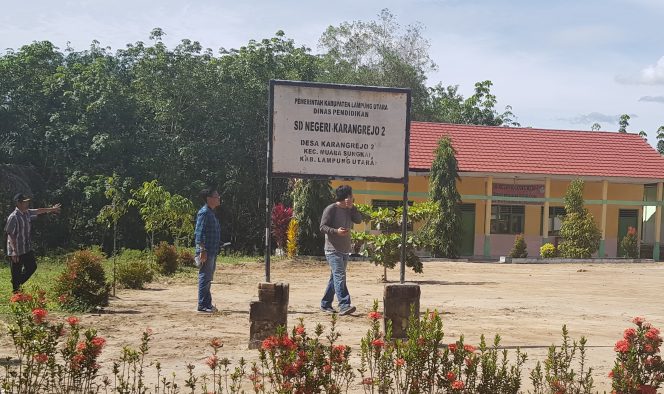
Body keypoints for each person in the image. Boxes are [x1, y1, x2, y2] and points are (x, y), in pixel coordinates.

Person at [319, 185, 362, 315]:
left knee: (335, 278)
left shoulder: (350, 209)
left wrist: (352, 207)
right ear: (346, 196)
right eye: (351, 195)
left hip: (344, 249)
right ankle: (344, 305)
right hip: (332, 249)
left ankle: (325, 304)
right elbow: (322, 227)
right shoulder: (331, 209)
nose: (352, 197)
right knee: (340, 276)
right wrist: (336, 231)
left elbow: (359, 220)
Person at [5, 193, 61, 293]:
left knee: (32, 267)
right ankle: (16, 293)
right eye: (25, 202)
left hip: (26, 248)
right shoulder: (13, 217)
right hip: (16, 249)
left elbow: (39, 210)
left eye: (27, 202)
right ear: (18, 203)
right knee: (16, 272)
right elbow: (10, 235)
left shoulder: (27, 213)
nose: (27, 204)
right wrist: (14, 251)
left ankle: (17, 282)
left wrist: (52, 209)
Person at [194, 188, 221, 313]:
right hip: (206, 251)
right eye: (216, 196)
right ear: (209, 199)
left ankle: (207, 303)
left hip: (212, 251)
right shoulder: (204, 212)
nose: (218, 198)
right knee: (205, 277)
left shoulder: (211, 213)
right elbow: (199, 233)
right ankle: (202, 305)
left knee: (208, 277)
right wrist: (202, 250)